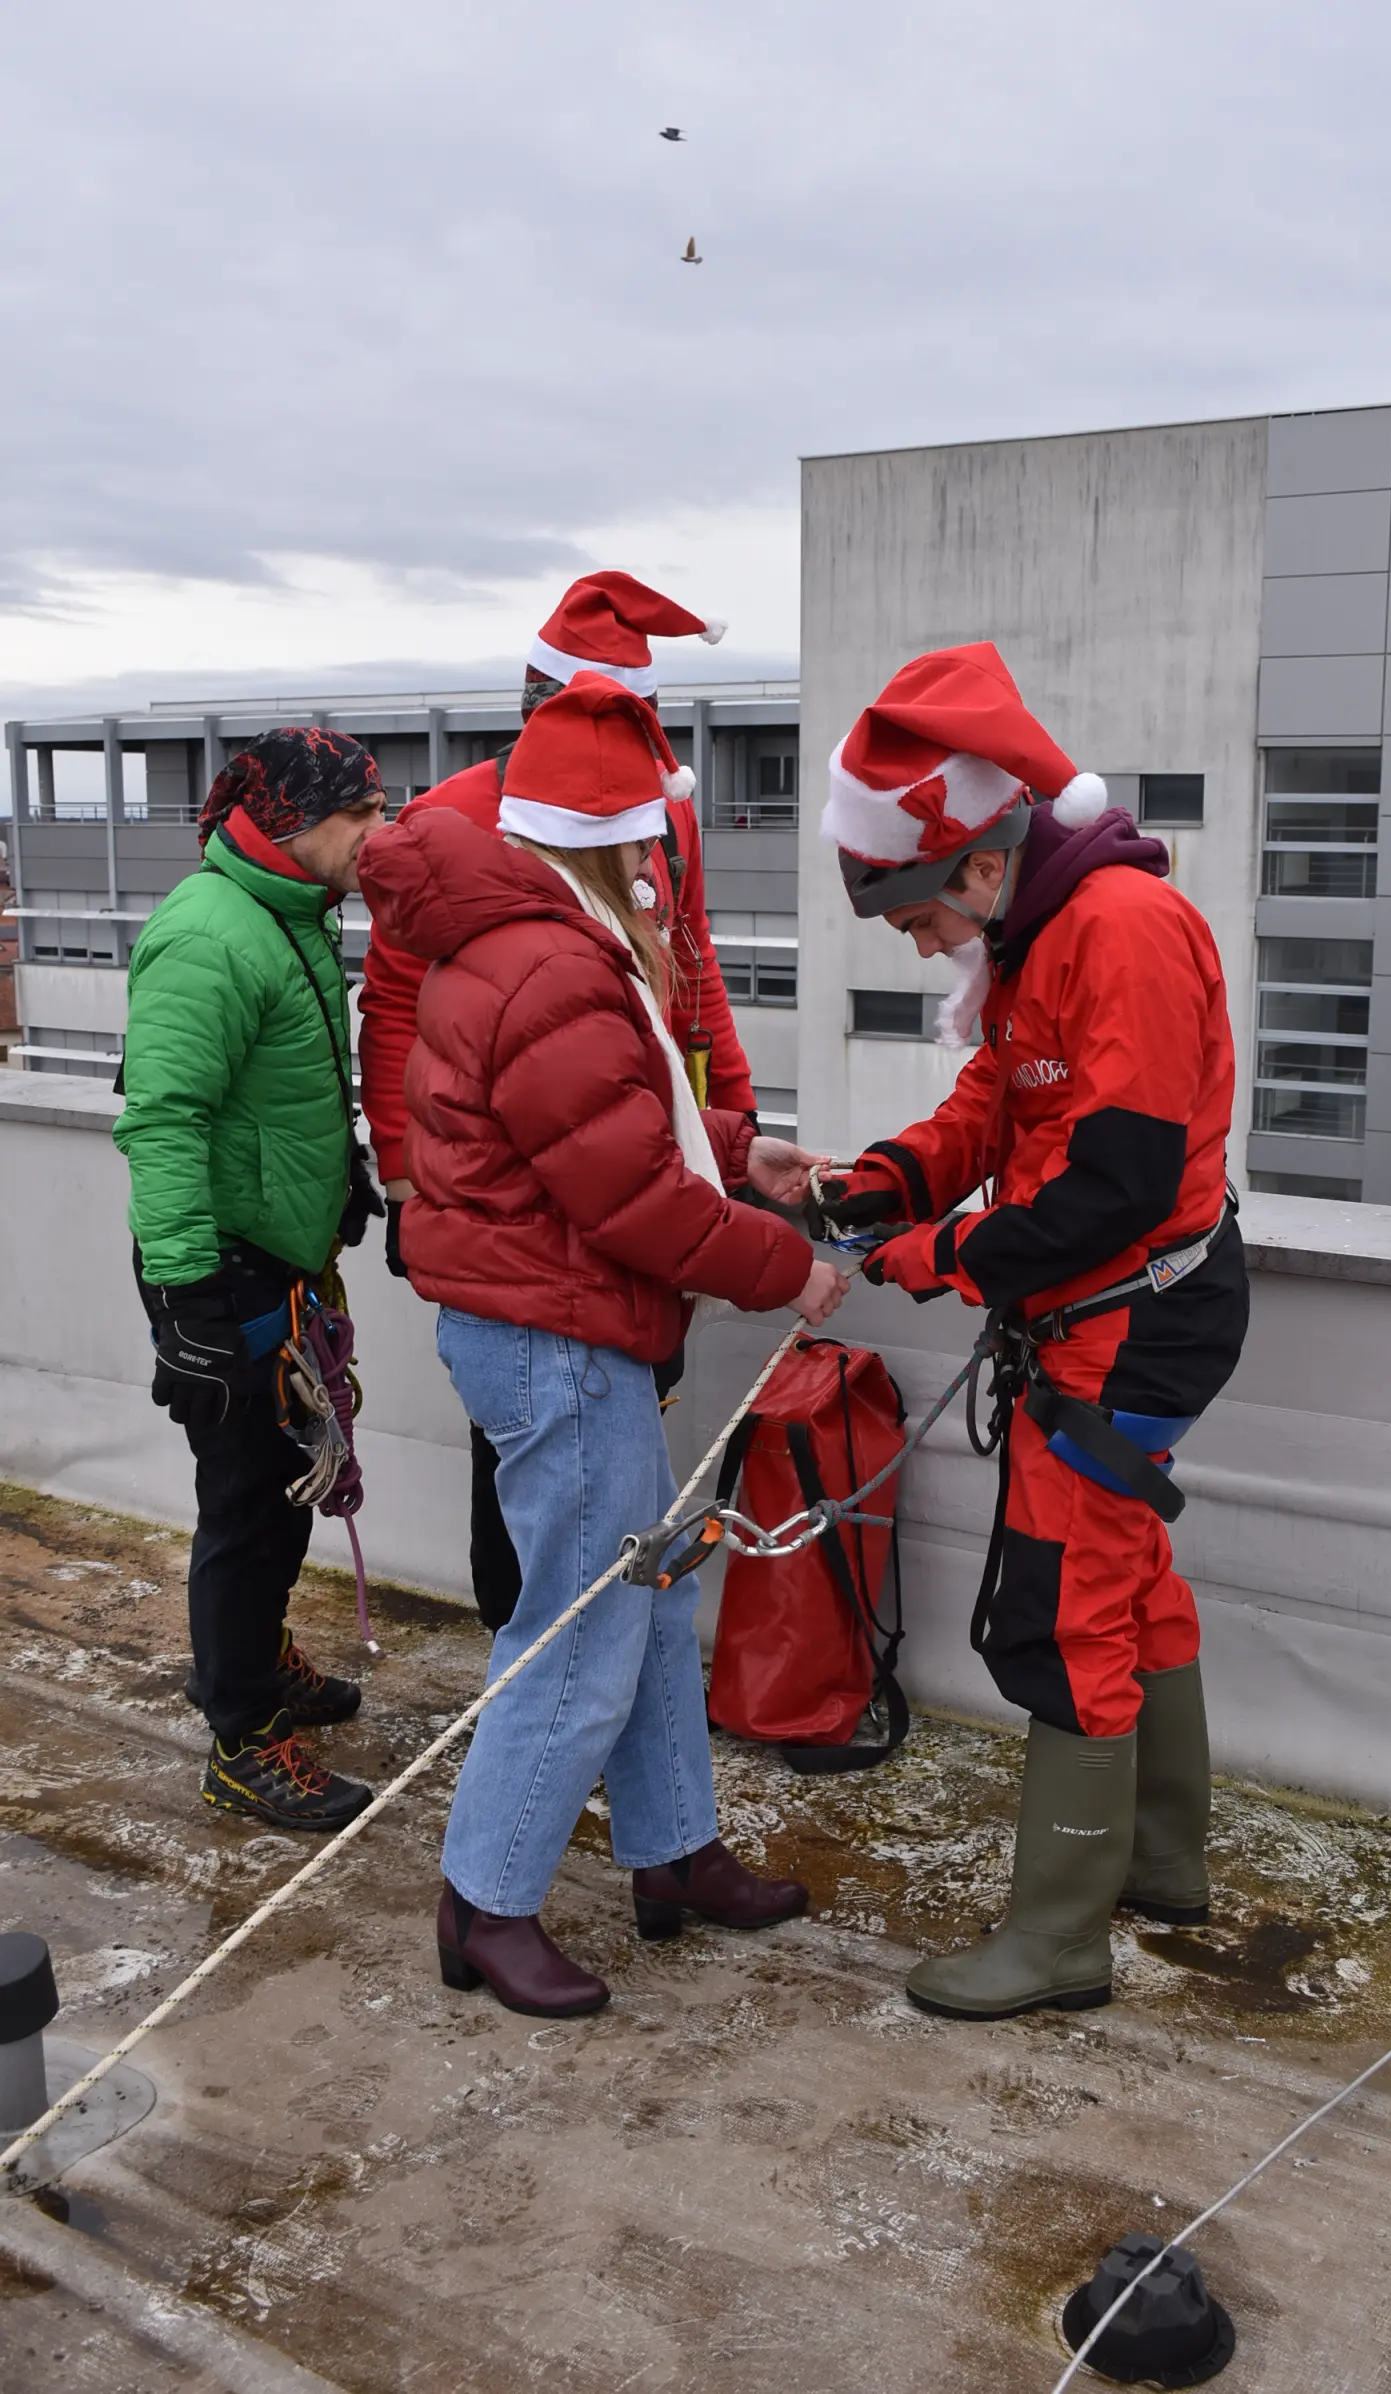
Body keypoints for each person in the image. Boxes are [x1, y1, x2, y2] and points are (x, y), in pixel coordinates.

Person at [358, 670, 848, 2018]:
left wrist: (749, 1153)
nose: (660, 858)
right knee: (577, 1624)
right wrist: (787, 1265)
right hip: (556, 1334)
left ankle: (672, 1850)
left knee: (646, 1595)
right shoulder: (557, 957)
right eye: (647, 834)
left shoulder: (546, 934)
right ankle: (488, 1898)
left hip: (550, 1324)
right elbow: (628, 1192)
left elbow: (631, 1119)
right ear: (609, 829)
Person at [819, 643, 1249, 2019]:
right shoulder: (1043, 938)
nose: (925, 943)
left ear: (983, 860)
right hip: (1118, 1309)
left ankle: (1061, 1936)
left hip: (1135, 1315)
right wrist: (876, 1182)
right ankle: (1163, 1862)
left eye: (920, 919)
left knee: (1067, 1607)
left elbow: (1112, 1182)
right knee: (1128, 1582)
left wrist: (935, 1253)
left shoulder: (1117, 929)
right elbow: (993, 1112)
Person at [359, 571, 754, 1632]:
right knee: (528, 1438)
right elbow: (394, 1009)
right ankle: (527, 1647)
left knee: (638, 1399)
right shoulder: (455, 825)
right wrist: (405, 1177)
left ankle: (605, 1661)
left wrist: (734, 1124)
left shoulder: (657, 822)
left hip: (629, 1129)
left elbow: (693, 970)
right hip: (514, 1185)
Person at [114, 729, 388, 1830]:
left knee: (289, 1485)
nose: (380, 831)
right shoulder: (210, 936)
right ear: (299, 819)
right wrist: (186, 1311)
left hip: (280, 1263)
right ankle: (240, 1735)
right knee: (248, 1508)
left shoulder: (292, 915)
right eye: (364, 812)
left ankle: (259, 1659)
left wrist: (340, 1179)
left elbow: (283, 1090)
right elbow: (163, 1123)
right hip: (221, 1274)